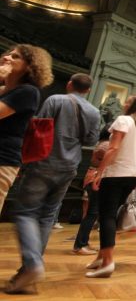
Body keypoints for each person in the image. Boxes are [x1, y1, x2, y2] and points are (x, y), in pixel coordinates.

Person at [6, 72, 100, 294]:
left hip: (44, 161)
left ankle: (31, 264)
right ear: (87, 90)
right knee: (48, 216)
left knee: (25, 212)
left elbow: (38, 127)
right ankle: (28, 269)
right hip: (70, 166)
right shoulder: (94, 111)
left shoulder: (56, 100)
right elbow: (91, 141)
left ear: (69, 84)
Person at [85, 95, 136, 279]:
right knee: (111, 213)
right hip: (134, 175)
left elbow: (113, 148)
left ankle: (108, 262)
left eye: (127, 102)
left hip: (116, 173)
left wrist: (99, 172)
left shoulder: (123, 120)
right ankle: (101, 256)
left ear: (133, 106)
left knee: (106, 215)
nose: (124, 104)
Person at [0, 45, 53, 216]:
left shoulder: (28, 91)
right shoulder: (4, 91)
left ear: (30, 66)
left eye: (15, 57)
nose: (7, 58)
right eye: (8, 54)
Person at [73, 128, 109, 255]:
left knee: (92, 213)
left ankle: (83, 243)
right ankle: (80, 245)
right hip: (95, 178)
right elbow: (105, 160)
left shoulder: (103, 143)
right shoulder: (106, 145)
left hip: (93, 177)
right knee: (92, 213)